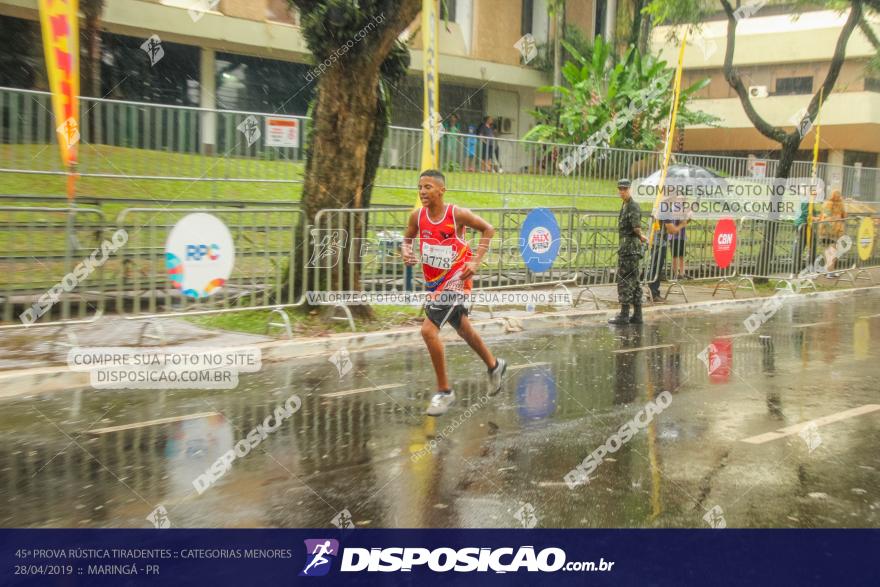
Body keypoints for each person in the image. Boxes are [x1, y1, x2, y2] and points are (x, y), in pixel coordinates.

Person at [402, 169, 507, 416]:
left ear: (441, 190)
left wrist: (475, 262)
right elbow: (406, 238)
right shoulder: (418, 217)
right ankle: (494, 366)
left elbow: (488, 229)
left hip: (457, 282)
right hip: (434, 284)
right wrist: (406, 251)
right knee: (463, 328)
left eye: (428, 187)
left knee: (428, 331)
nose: (422, 191)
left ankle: (445, 391)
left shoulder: (456, 214)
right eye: (420, 187)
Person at [610, 178, 648, 325]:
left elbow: (636, 227)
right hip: (628, 249)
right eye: (620, 189)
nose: (622, 192)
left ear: (630, 189)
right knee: (634, 281)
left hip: (629, 250)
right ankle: (637, 315)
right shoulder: (625, 205)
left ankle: (624, 315)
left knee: (625, 281)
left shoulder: (632, 206)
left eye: (625, 189)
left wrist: (641, 236)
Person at [818, 189, 847, 275]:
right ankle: (830, 270)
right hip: (833, 231)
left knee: (829, 250)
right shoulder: (839, 204)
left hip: (826, 231)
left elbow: (824, 216)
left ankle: (829, 269)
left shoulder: (827, 204)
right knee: (833, 250)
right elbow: (844, 216)